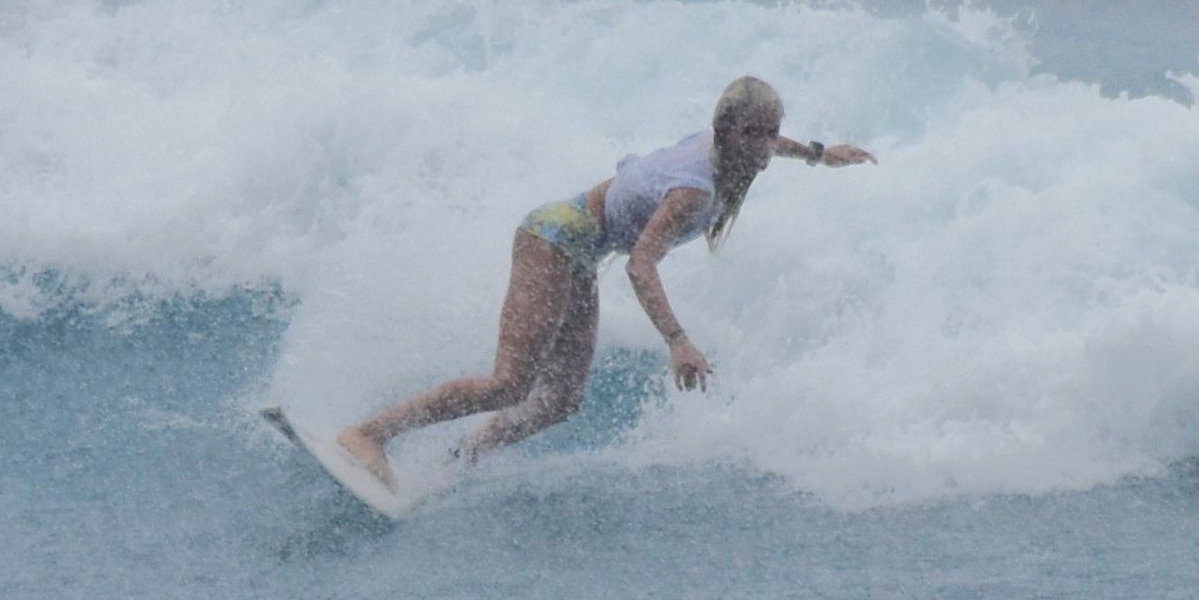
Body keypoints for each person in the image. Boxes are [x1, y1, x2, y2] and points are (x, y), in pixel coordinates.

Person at [336, 76, 875, 489]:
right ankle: (369, 434)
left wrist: (820, 155)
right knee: (509, 385)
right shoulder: (694, 190)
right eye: (754, 134)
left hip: (581, 255)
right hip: (553, 239)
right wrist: (677, 340)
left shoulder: (725, 146)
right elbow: (642, 265)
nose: (765, 146)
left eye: (771, 131)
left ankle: (461, 459)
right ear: (726, 133)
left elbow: (776, 143)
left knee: (562, 398)